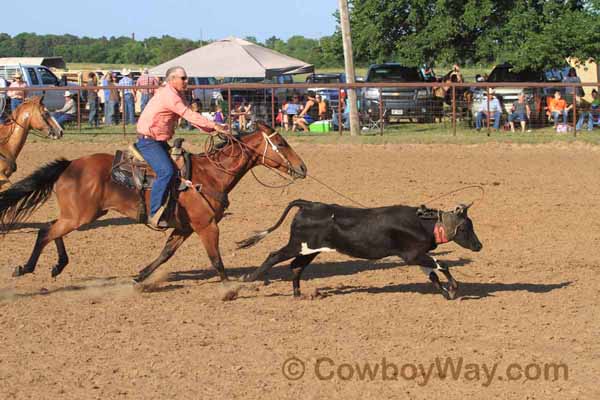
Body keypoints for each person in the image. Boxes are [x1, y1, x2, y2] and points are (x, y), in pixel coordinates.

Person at [135, 66, 229, 228]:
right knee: (166, 171)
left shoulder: (176, 93)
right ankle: (154, 212)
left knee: (181, 168)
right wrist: (213, 126)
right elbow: (188, 114)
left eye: (186, 78)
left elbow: (190, 117)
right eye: (183, 78)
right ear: (172, 79)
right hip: (149, 141)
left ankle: (173, 206)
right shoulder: (169, 95)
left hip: (158, 140)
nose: (187, 81)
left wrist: (211, 129)